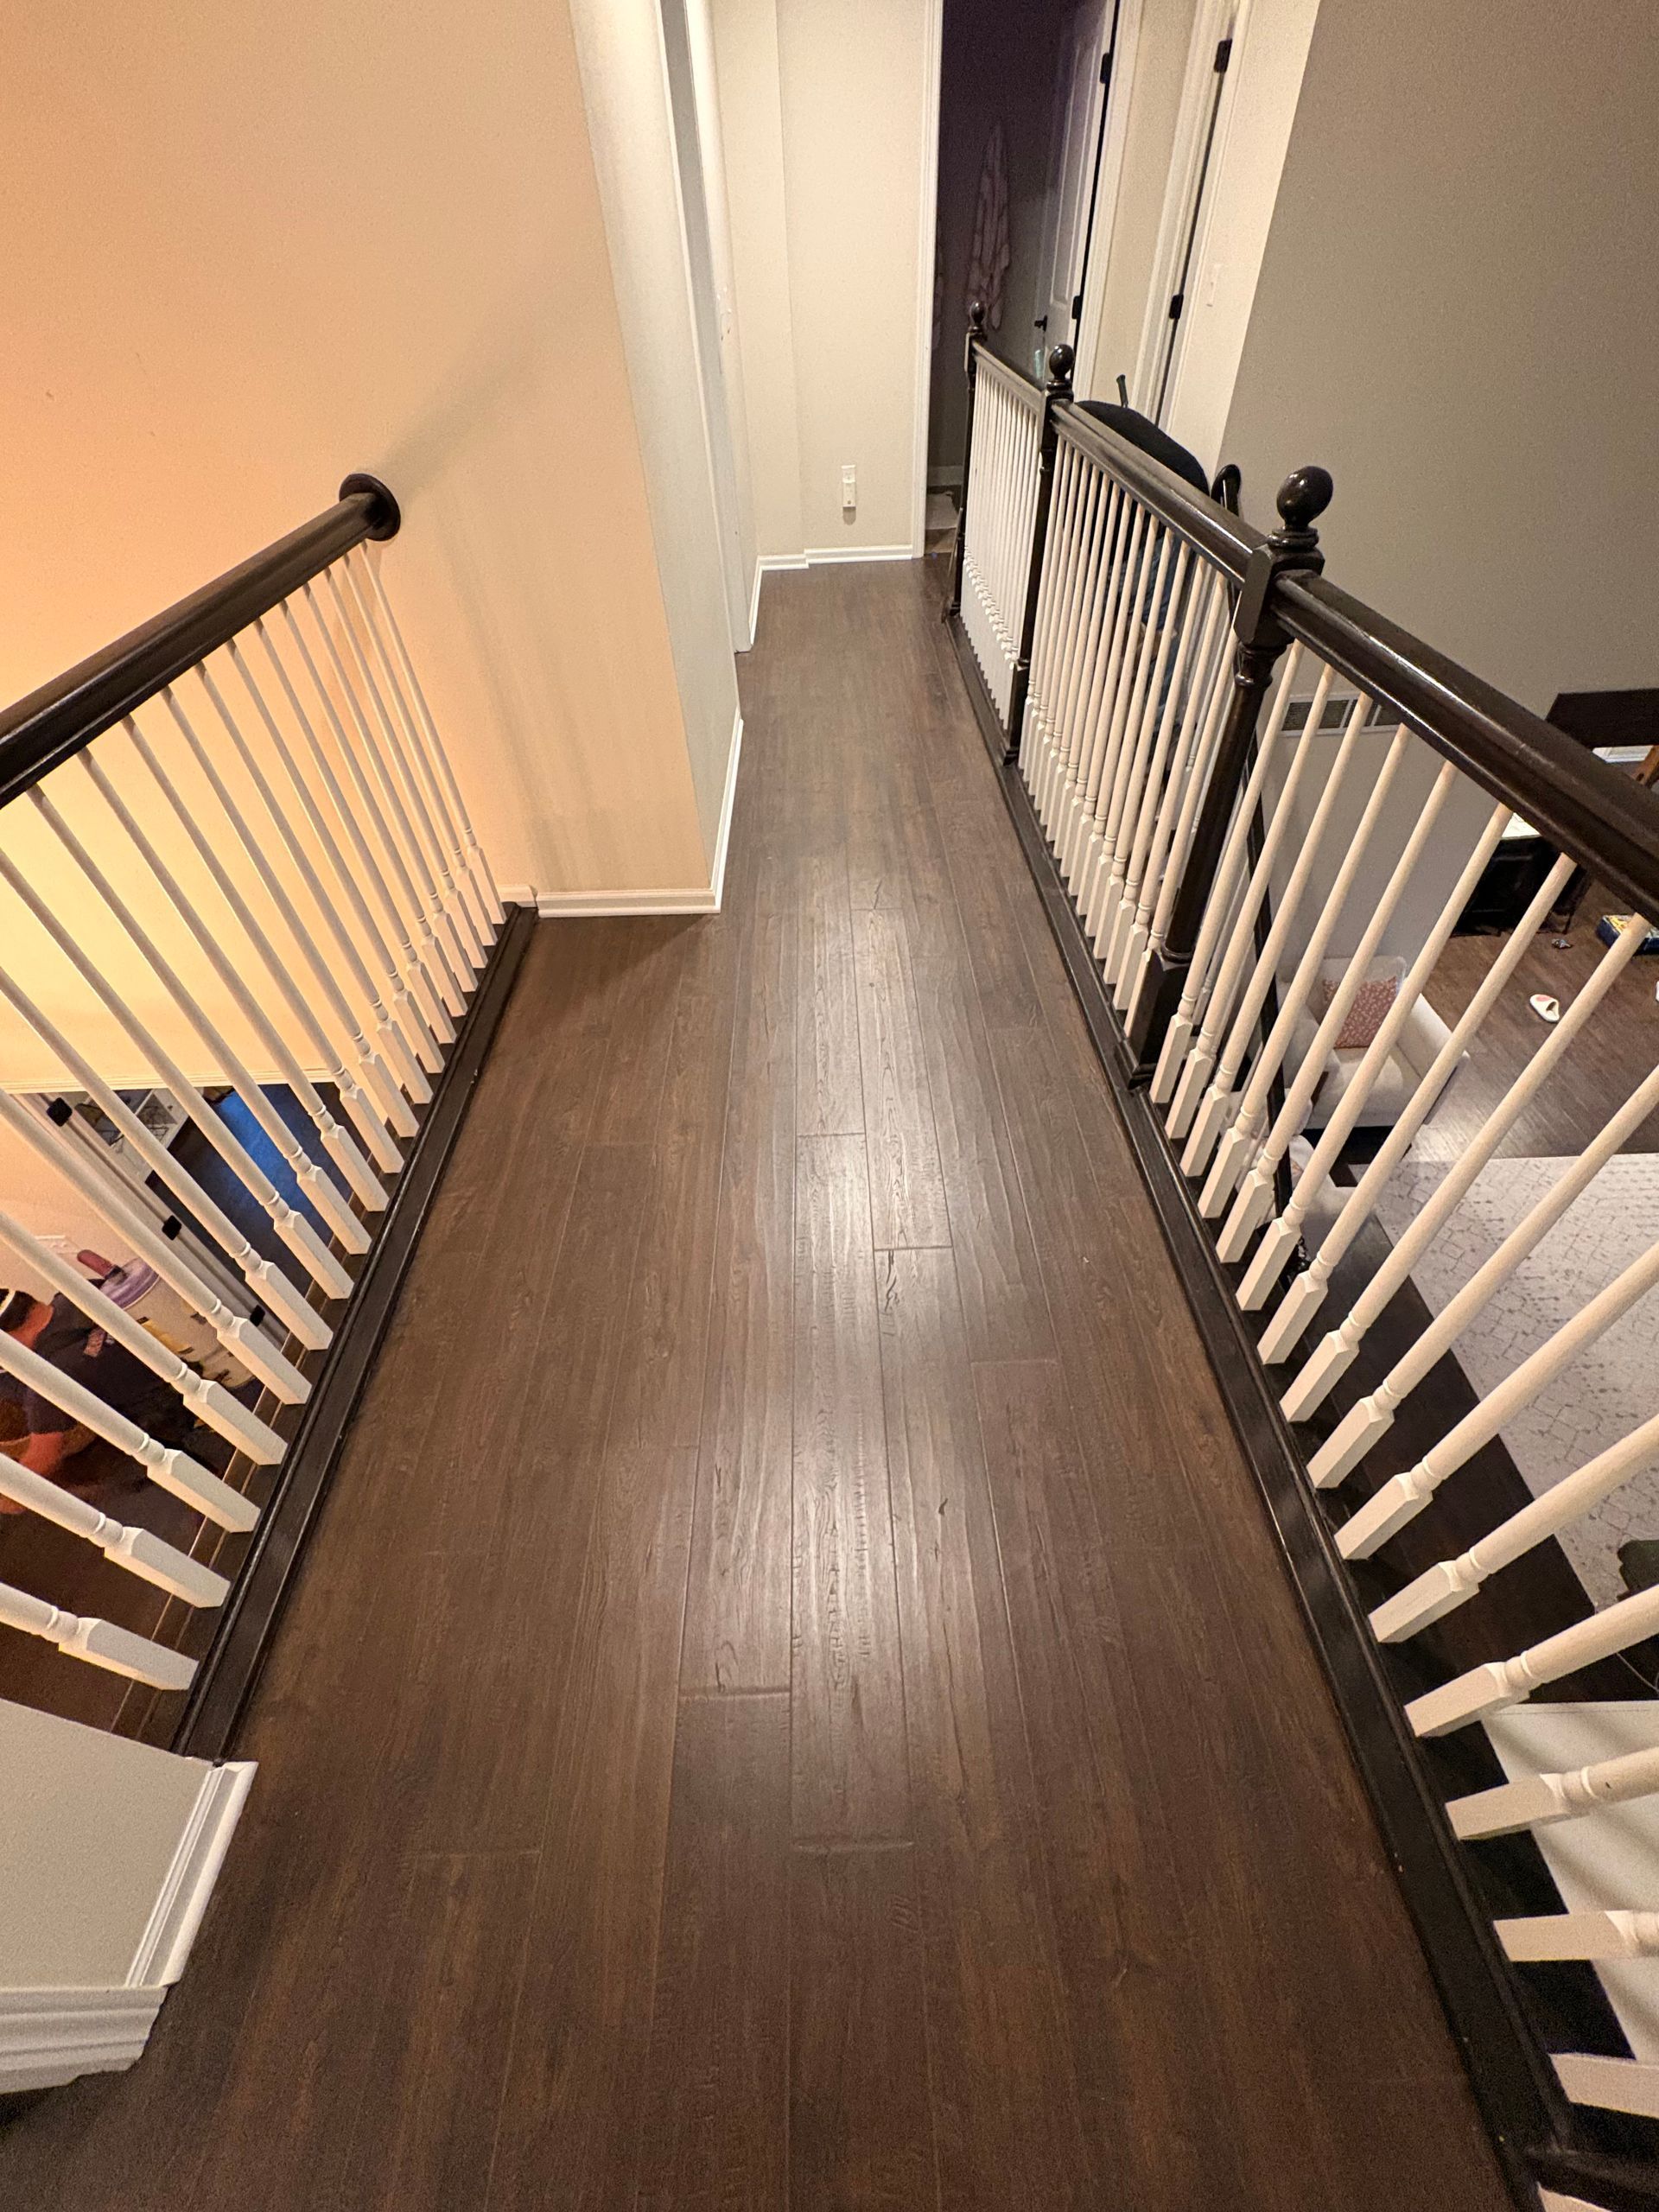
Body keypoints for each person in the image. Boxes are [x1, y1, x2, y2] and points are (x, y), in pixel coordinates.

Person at [0, 1286, 202, 1499]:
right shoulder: (77, 1292)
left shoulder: (48, 1380)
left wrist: (8, 1497)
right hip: (189, 1365)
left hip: (168, 1413)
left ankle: (201, 1489)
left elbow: (43, 1457)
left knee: (73, 1472)